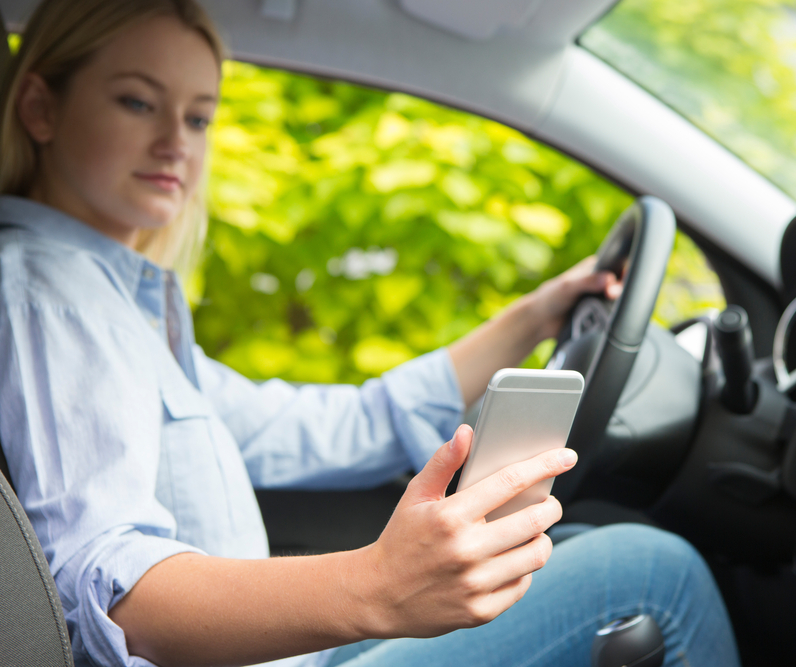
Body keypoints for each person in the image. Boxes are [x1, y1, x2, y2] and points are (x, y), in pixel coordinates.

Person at [0, 1, 741, 666]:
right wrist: (377, 587)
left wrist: (538, 316)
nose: (175, 143)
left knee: (568, 553)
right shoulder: (53, 292)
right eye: (138, 101)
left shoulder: (125, 308)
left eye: (198, 117)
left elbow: (343, 423)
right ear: (39, 107)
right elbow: (110, 586)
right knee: (650, 576)